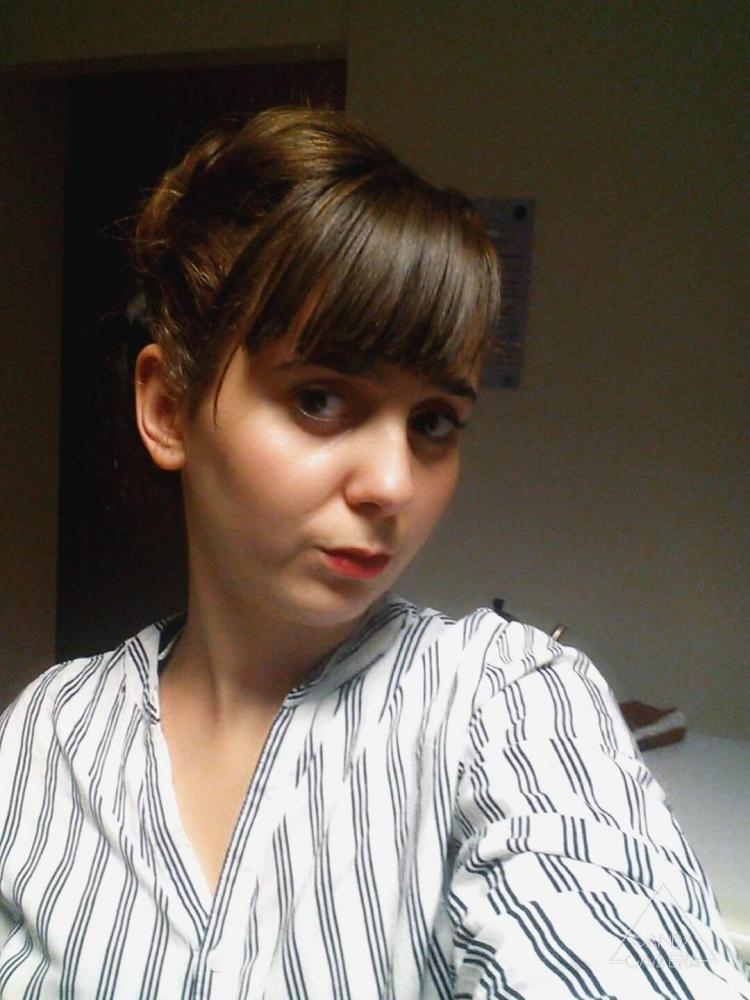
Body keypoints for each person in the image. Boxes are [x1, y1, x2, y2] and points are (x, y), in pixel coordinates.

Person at [0, 107, 747, 1000]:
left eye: (434, 421)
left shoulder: (506, 700)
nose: (393, 484)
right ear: (167, 410)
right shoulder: (46, 738)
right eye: (320, 398)